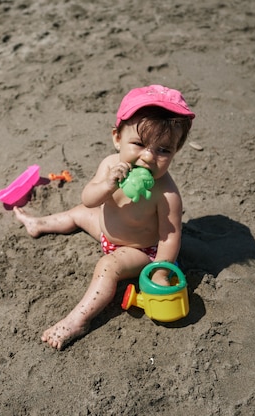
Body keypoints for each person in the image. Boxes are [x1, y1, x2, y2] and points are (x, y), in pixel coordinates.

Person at [14, 85, 195, 350]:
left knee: (107, 266)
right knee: (79, 212)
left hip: (139, 250)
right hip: (106, 228)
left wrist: (161, 271)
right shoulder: (110, 165)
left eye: (163, 150)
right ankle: (39, 223)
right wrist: (107, 185)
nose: (148, 157)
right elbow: (90, 199)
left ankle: (78, 320)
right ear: (117, 138)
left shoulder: (166, 193)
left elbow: (170, 236)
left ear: (176, 151)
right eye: (139, 144)